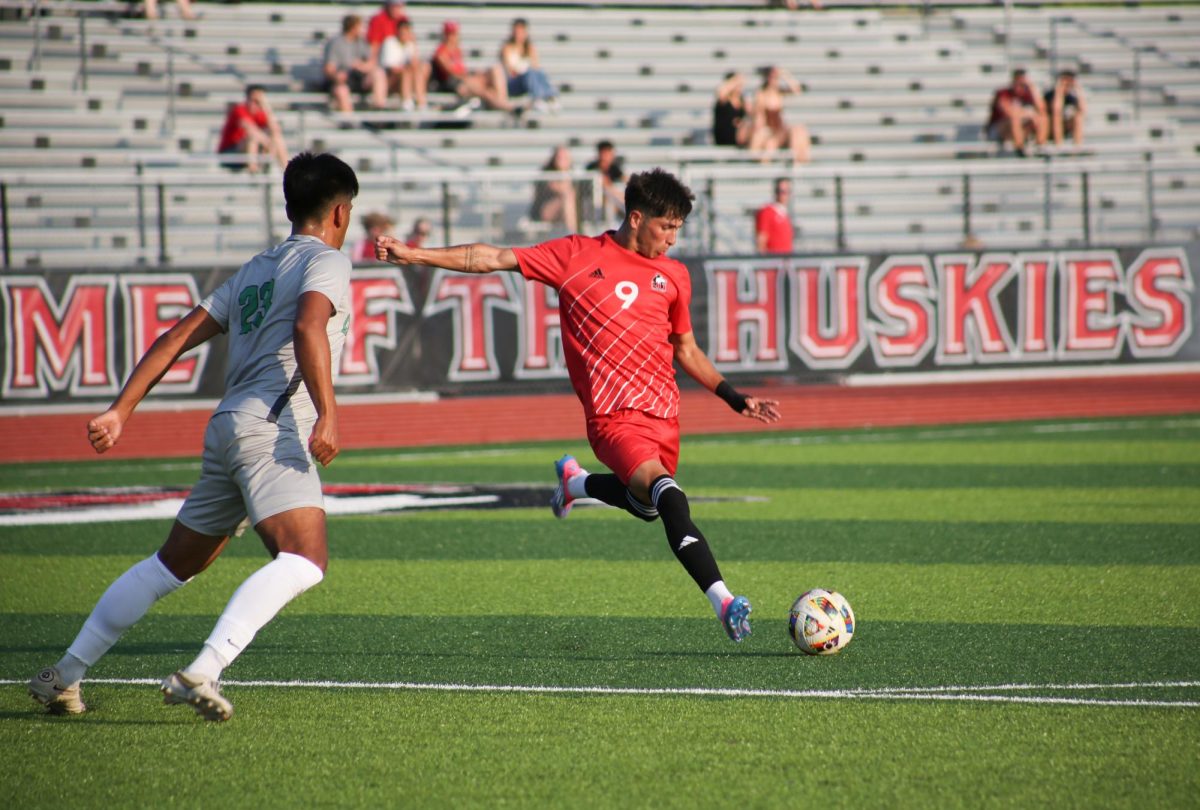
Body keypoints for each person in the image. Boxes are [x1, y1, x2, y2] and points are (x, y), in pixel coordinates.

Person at [375, 168, 781, 644]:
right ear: (636, 217)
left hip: (664, 416)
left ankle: (576, 483)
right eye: (666, 227)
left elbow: (686, 349)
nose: (672, 239)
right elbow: (490, 257)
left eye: (678, 229)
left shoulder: (673, 275)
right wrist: (415, 253)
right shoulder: (575, 255)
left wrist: (736, 398)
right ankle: (725, 601)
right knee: (670, 497)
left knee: (648, 507)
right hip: (613, 419)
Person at [28, 152, 358, 721]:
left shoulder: (255, 268)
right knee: (306, 558)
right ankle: (202, 670)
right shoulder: (327, 261)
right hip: (270, 428)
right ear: (341, 212)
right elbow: (309, 325)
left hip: (227, 426)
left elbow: (177, 336)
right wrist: (328, 413)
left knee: (170, 565)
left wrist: (119, 410)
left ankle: (65, 673)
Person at [431, 20, 511, 114]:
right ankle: (507, 107)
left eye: (455, 34)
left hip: (463, 80)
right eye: (451, 34)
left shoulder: (457, 50)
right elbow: (451, 73)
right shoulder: (441, 52)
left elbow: (461, 70)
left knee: (495, 70)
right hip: (453, 84)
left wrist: (474, 74)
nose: (453, 37)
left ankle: (503, 102)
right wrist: (469, 77)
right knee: (486, 92)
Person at [217, 85, 288, 174]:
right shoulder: (239, 110)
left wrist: (266, 107)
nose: (256, 104)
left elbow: (276, 130)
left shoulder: (261, 113)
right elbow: (251, 130)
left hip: (251, 152)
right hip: (230, 152)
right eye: (254, 100)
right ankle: (253, 171)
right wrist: (270, 145)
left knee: (277, 139)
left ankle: (287, 172)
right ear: (247, 98)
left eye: (259, 101)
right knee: (253, 138)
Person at [323, 14, 388, 112]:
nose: (363, 30)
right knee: (342, 90)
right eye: (360, 27)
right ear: (352, 28)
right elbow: (329, 68)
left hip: (358, 77)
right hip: (342, 80)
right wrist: (336, 75)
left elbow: (371, 62)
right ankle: (350, 122)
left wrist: (362, 66)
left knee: (378, 73)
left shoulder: (361, 42)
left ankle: (379, 108)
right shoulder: (336, 43)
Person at [748, 65, 811, 164]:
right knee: (770, 144)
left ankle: (799, 162)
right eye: (773, 77)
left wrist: (785, 75)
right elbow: (759, 116)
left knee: (799, 132)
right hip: (769, 129)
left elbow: (796, 90)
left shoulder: (779, 92)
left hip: (779, 128)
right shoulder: (761, 94)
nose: (775, 80)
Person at [986, 68, 1048, 156]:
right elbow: (1008, 112)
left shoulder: (1028, 94)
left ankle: (1040, 146)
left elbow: (1042, 109)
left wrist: (1032, 88)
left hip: (1019, 127)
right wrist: (1028, 113)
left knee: (1042, 118)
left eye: (1022, 83)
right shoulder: (1003, 93)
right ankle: (1019, 148)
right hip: (1000, 128)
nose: (1020, 86)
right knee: (1016, 118)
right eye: (1018, 82)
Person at [500, 17, 558, 111]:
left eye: (521, 31)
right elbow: (509, 71)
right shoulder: (507, 48)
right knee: (530, 73)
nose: (519, 35)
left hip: (527, 80)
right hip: (514, 83)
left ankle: (550, 96)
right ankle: (539, 97)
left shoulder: (530, 48)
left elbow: (536, 67)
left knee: (538, 73)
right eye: (517, 32)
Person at [380, 19, 430, 110]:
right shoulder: (390, 42)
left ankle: (421, 101)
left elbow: (415, 63)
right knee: (406, 73)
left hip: (407, 78)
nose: (405, 35)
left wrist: (414, 45)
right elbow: (391, 69)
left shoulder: (409, 44)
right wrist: (407, 68)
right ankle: (407, 102)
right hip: (390, 80)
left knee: (420, 70)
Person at [529, 146, 578, 234]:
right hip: (545, 211)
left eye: (565, 157)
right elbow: (558, 188)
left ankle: (572, 233)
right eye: (559, 157)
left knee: (568, 199)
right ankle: (573, 234)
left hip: (565, 212)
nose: (562, 160)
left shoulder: (572, 176)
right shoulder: (548, 174)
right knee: (567, 198)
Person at [585, 140, 626, 224]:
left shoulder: (614, 168)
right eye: (605, 153)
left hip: (612, 201)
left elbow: (625, 179)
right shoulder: (592, 168)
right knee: (610, 196)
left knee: (612, 198)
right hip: (593, 201)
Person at [1045, 70, 1086, 147]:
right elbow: (1057, 110)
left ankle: (1078, 145)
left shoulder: (1072, 97)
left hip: (1066, 126)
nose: (1067, 84)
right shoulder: (1050, 95)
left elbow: (1082, 110)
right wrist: (1059, 92)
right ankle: (1059, 145)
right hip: (1051, 128)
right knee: (1057, 117)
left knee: (1078, 117)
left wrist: (1078, 89)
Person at [712, 71, 752, 149]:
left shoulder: (742, 100)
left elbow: (752, 112)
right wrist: (735, 80)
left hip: (741, 134)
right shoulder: (724, 99)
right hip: (725, 135)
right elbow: (721, 92)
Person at [755, 177, 794, 254]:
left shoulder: (784, 213)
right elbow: (761, 240)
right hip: (773, 262)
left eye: (787, 191)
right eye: (780, 191)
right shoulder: (767, 211)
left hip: (785, 262)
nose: (783, 195)